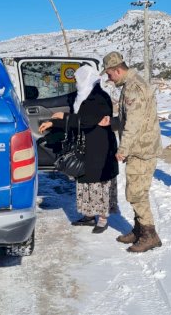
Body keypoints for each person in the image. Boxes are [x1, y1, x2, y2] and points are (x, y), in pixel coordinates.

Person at [39, 65, 118, 233]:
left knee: (99, 182)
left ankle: (103, 219)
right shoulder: (82, 96)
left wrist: (64, 117)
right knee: (85, 180)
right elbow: (78, 120)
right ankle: (89, 216)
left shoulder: (99, 97)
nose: (76, 83)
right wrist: (54, 122)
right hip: (85, 145)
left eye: (77, 80)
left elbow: (88, 120)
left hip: (100, 147)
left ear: (86, 78)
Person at [101, 51, 163, 253]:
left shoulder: (132, 88)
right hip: (141, 147)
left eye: (110, 75)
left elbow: (134, 124)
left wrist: (123, 149)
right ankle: (138, 229)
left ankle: (149, 234)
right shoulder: (131, 83)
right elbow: (133, 118)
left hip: (141, 150)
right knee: (136, 190)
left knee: (136, 193)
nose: (109, 79)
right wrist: (113, 123)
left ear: (117, 70)